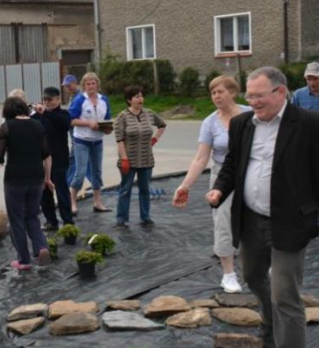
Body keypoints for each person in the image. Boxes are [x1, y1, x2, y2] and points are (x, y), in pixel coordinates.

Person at [205, 67, 319, 348]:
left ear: (280, 93)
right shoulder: (242, 125)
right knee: (253, 277)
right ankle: (270, 320)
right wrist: (218, 190)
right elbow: (232, 166)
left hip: (290, 223)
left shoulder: (309, 124)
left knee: (286, 295)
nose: (252, 102)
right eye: (250, 96)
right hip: (251, 218)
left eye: (259, 96)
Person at [173, 76, 251, 293]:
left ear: (233, 93)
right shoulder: (210, 123)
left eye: (220, 92)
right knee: (223, 222)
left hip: (250, 173)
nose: (216, 96)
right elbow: (200, 158)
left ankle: (258, 269)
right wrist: (185, 186)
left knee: (254, 221)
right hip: (221, 178)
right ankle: (229, 274)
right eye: (213, 93)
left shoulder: (249, 115)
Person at [0, 96, 54, 270]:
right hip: (36, 177)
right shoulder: (38, 125)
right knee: (32, 215)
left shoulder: (7, 127)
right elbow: (47, 155)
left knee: (16, 219)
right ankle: (41, 247)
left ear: (8, 111)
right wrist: (47, 177)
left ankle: (23, 260)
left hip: (15, 179)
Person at [114, 86, 166, 229]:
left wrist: (154, 139)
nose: (140, 99)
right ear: (129, 100)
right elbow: (119, 139)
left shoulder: (149, 114)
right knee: (125, 190)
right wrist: (124, 159)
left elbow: (162, 125)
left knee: (145, 189)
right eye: (136, 97)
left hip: (146, 159)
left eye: (141, 96)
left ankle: (146, 217)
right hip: (128, 160)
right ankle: (121, 219)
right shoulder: (122, 117)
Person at [69, 72, 111, 214]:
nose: (91, 86)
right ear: (84, 86)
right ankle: (72, 203)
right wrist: (88, 123)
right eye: (88, 84)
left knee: (97, 172)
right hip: (81, 140)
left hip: (97, 141)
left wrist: (107, 128)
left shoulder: (104, 99)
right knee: (80, 172)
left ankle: (97, 202)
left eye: (93, 83)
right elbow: (71, 120)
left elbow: (107, 119)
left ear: (97, 85)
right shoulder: (80, 100)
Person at [32, 87, 73, 231]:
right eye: (45, 99)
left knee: (62, 192)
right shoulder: (37, 116)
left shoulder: (63, 114)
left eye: (50, 99)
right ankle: (51, 221)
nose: (47, 102)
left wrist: (46, 113)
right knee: (44, 194)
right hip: (42, 161)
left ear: (58, 99)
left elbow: (63, 125)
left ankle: (68, 222)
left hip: (59, 160)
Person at [63, 75, 93, 190]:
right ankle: (95, 184)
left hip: (79, 135)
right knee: (84, 162)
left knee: (75, 161)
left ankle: (66, 184)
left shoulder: (79, 97)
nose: (67, 87)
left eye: (69, 85)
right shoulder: (73, 96)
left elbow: (78, 116)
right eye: (65, 86)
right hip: (77, 135)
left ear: (75, 83)